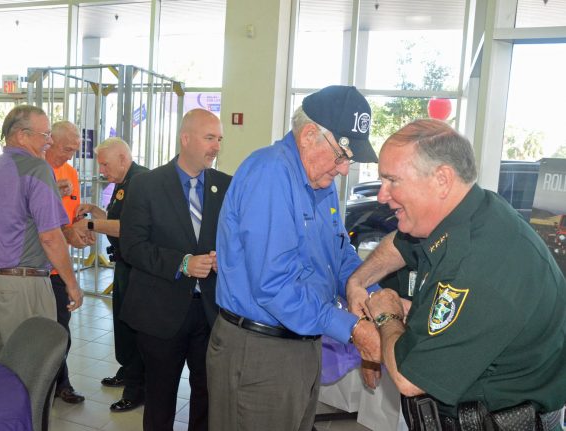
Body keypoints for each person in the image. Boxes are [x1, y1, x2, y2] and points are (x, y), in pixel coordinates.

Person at [347, 119, 566, 430]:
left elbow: (409, 379)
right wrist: (358, 282)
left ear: (442, 179)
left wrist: (387, 316)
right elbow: (398, 244)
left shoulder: (478, 263)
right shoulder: (471, 211)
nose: (382, 195)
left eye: (392, 180)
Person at [207, 85, 380, 431]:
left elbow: (338, 252)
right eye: (343, 154)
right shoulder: (270, 175)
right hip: (259, 352)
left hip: (302, 342)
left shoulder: (320, 180)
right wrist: (354, 330)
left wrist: (369, 292)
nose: (345, 169)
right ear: (310, 135)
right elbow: (275, 287)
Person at [118, 108, 231, 431]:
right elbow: (133, 247)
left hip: (210, 312)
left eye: (219, 139)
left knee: (207, 396)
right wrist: (183, 263)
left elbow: (235, 239)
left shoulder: (225, 186)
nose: (216, 146)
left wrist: (227, 258)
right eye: (210, 138)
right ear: (185, 138)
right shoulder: (146, 185)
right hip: (160, 312)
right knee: (160, 397)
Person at [0, 105, 83, 361]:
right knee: (32, 368)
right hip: (20, 284)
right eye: (45, 135)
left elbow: (14, 212)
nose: (50, 141)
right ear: (22, 136)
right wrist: (72, 284)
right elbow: (51, 237)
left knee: (2, 365)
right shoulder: (37, 168)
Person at [73, 137, 148, 412]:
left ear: (122, 158)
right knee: (122, 324)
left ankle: (137, 388)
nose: (102, 170)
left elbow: (128, 227)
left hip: (138, 269)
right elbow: (115, 218)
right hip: (123, 265)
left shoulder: (141, 182)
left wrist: (91, 222)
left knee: (135, 327)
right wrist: (96, 211)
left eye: (105, 164)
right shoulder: (123, 183)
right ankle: (128, 371)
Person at [44, 120, 92, 404]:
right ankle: (45, 385)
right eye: (66, 148)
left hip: (59, 267)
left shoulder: (71, 173)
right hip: (34, 267)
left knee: (62, 329)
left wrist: (79, 233)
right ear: (50, 141)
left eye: (75, 149)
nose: (71, 154)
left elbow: (69, 220)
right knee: (40, 329)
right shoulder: (37, 171)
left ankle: (62, 382)